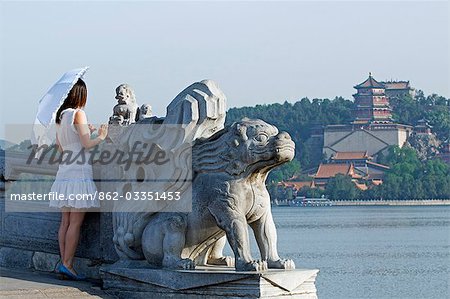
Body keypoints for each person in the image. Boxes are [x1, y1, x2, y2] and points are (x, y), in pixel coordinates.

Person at [49, 78, 108, 280]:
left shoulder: (60, 116)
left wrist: (86, 131)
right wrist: (100, 135)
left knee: (65, 221)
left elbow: (61, 146)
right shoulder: (78, 113)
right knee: (75, 222)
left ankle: (63, 262)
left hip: (65, 170)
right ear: (81, 94)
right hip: (79, 171)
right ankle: (68, 264)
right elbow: (87, 144)